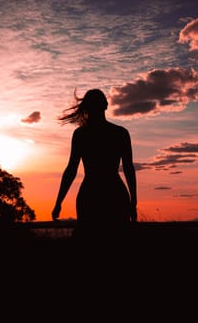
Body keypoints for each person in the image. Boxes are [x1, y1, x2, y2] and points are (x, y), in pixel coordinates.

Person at [52, 89, 137, 239]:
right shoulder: (120, 133)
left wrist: (59, 202)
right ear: (105, 106)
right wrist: (133, 202)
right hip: (114, 193)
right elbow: (128, 169)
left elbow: (71, 169)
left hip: (91, 194)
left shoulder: (81, 135)